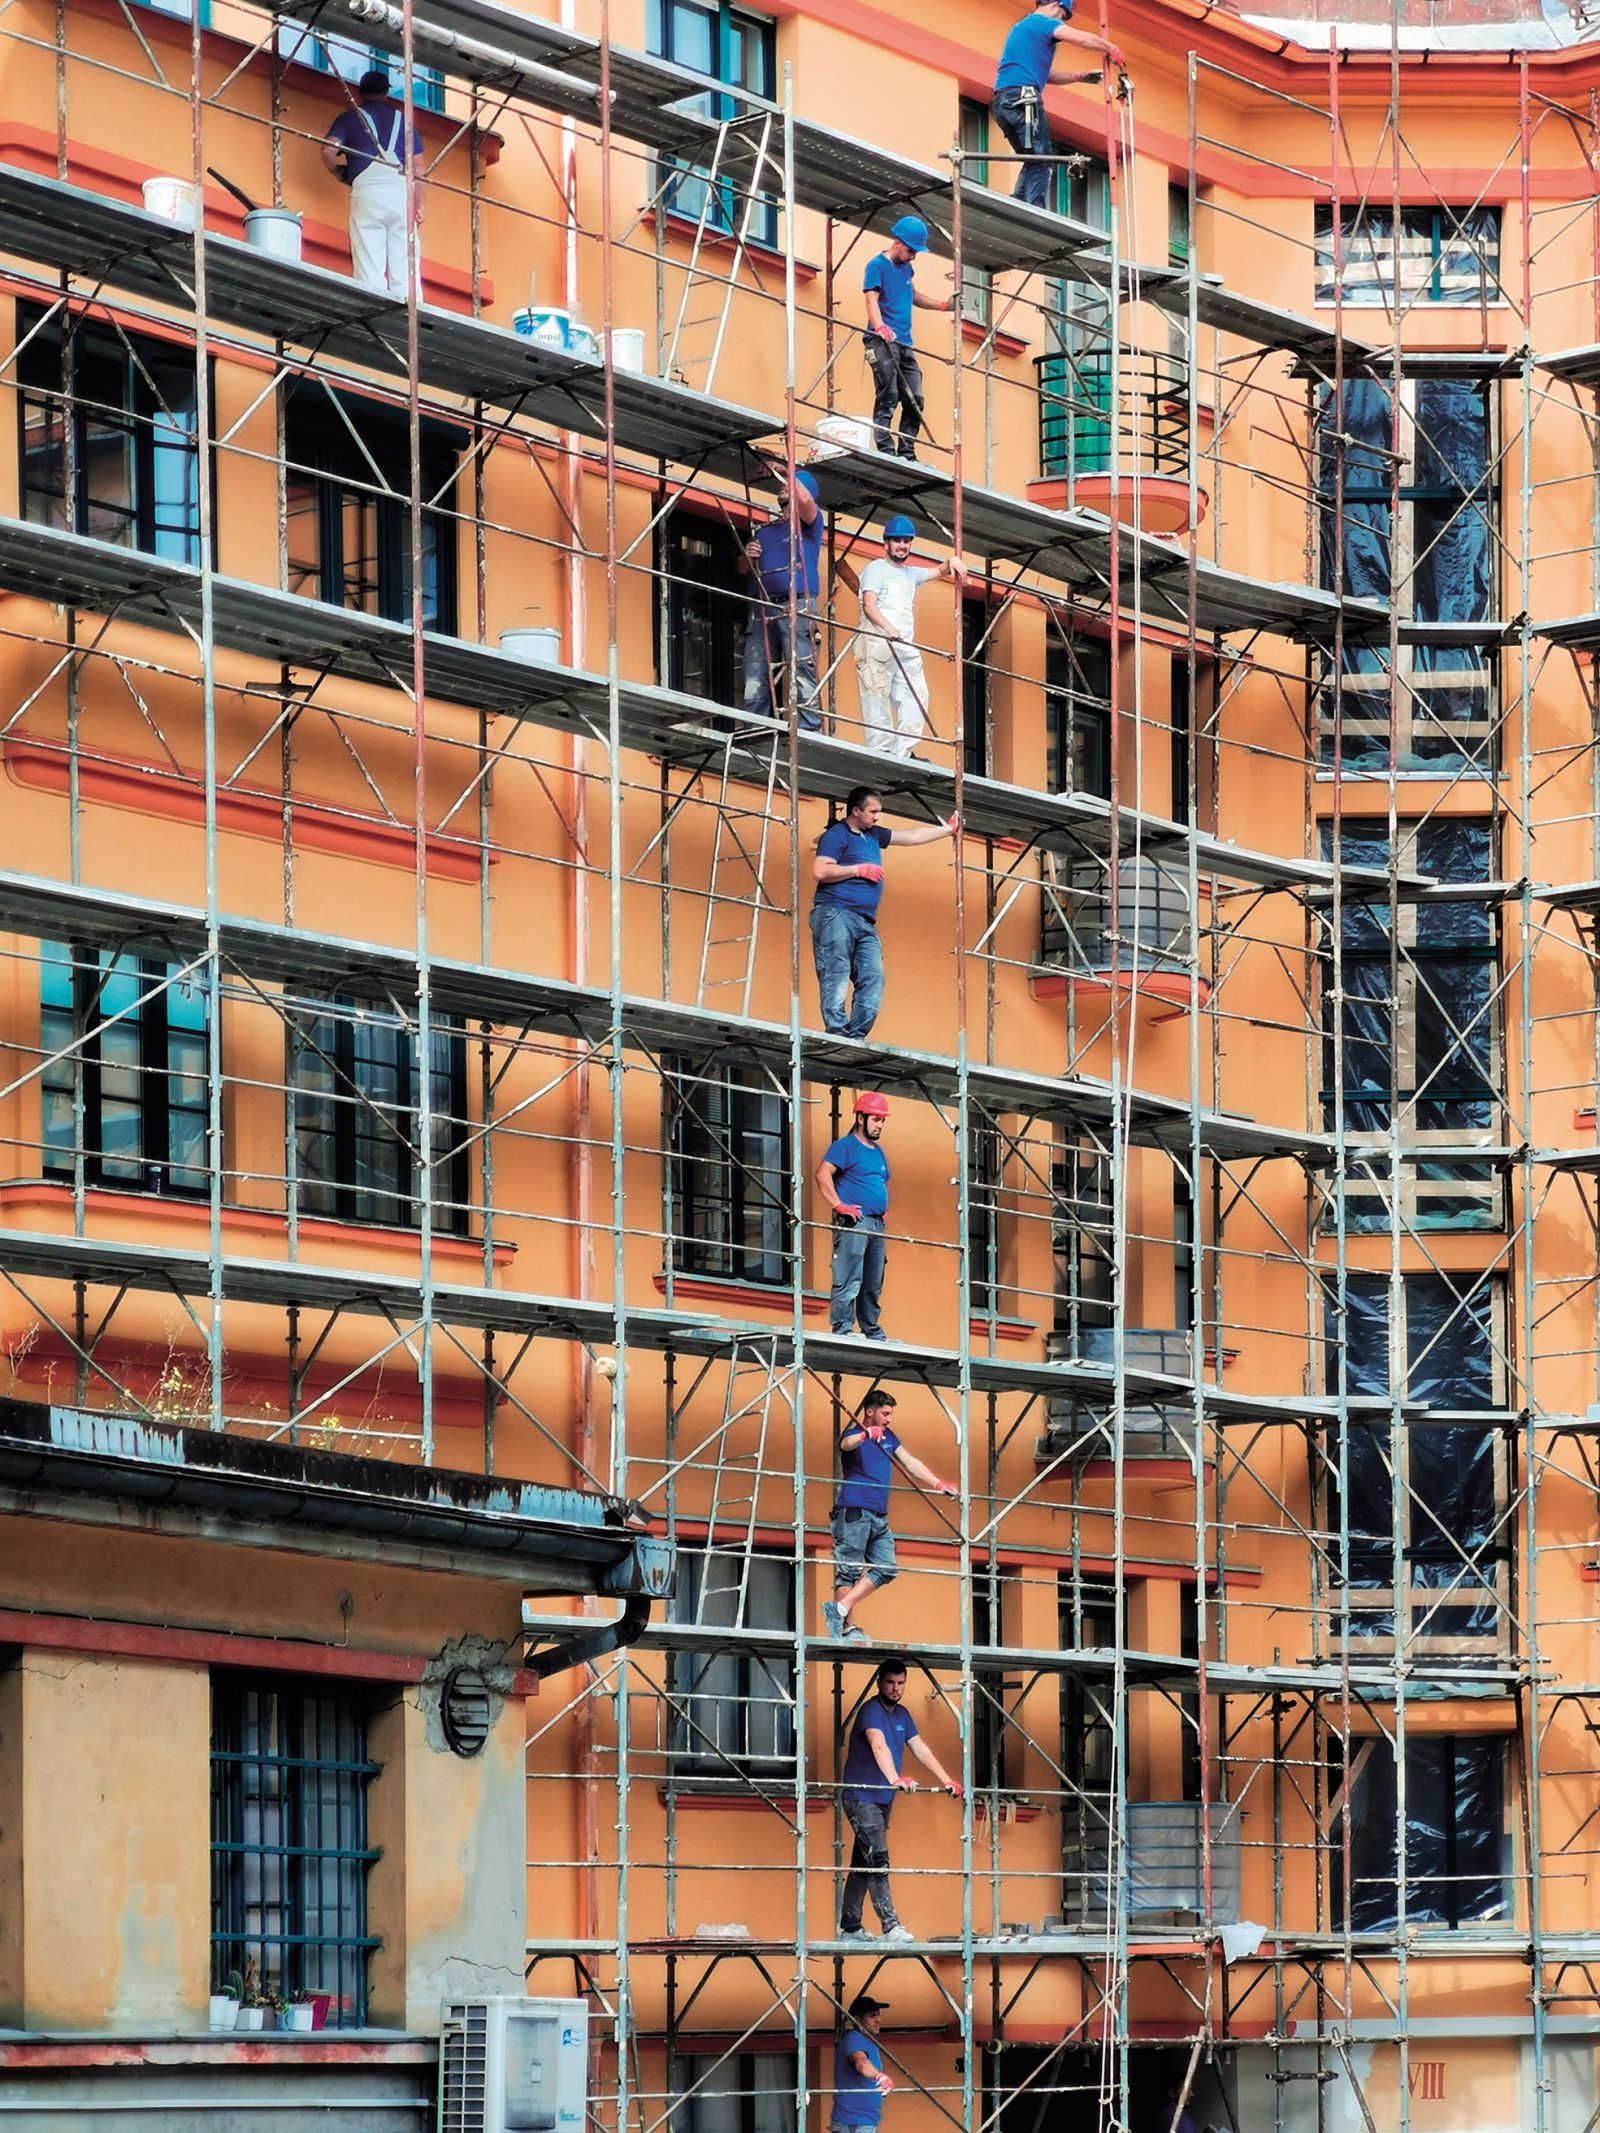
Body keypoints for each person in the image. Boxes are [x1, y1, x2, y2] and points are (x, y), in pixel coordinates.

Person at [811, 786, 959, 1041]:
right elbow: (821, 871)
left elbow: (911, 836)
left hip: (865, 921)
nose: (877, 817)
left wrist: (947, 830)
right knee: (836, 971)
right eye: (873, 811)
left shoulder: (874, 835)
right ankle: (836, 1031)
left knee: (873, 976)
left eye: (879, 811)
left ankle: (855, 1035)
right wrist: (859, 870)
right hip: (836, 912)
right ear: (856, 811)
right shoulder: (838, 835)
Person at [837, 1658, 961, 1942]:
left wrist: (947, 1780)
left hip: (882, 1799)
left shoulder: (903, 1714)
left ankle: (851, 1927)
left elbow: (920, 1748)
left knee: (863, 1861)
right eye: (890, 1683)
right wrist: (895, 1779)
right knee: (878, 1859)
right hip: (862, 1797)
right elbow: (878, 1745)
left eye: (901, 1683)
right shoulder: (871, 1711)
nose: (895, 1688)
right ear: (880, 1682)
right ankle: (891, 1926)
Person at [823, 1389, 957, 1642]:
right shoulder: (855, 1434)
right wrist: (865, 1434)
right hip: (855, 1509)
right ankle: (845, 1627)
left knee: (887, 1568)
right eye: (885, 1413)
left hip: (879, 1515)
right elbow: (845, 1444)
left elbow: (910, 1462)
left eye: (891, 1414)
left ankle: (840, 1609)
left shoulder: (889, 1437)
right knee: (849, 1570)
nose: (889, 1419)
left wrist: (938, 1484)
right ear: (870, 1411)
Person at [990, 0, 1125, 210]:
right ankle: (1034, 209)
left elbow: (1044, 75)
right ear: (1055, 6)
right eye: (1062, 16)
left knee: (1034, 157)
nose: (1061, 22)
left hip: (1004, 102)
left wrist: (1077, 77)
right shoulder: (1042, 22)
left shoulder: (1023, 28)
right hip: (1022, 100)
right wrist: (1110, 48)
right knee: (1042, 157)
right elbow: (1081, 38)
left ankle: (1020, 202)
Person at [854, 517, 964, 760]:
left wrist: (952, 562)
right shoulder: (876, 569)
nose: (902, 545)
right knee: (877, 695)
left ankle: (902, 750)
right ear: (886, 544)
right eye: (897, 541)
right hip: (877, 641)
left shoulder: (909, 574)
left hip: (902, 644)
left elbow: (937, 571)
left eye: (906, 541)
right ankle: (880, 749)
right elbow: (869, 605)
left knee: (917, 694)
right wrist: (888, 628)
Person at [322, 69, 426, 298]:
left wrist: (338, 172)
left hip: (366, 189)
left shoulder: (349, 118)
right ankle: (410, 309)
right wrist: (420, 205)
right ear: (387, 92)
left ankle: (371, 302)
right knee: (405, 258)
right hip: (400, 191)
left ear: (360, 93)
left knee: (368, 255)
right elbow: (419, 168)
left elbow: (328, 148)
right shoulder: (405, 123)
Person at [737, 469, 823, 729]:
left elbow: (807, 503)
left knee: (800, 665)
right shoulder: (764, 530)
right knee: (755, 669)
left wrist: (788, 470)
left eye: (789, 485)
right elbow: (742, 569)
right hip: (762, 604)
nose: (783, 487)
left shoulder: (808, 525)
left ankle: (808, 728)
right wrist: (747, 556)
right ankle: (755, 726)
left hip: (797, 602)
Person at [862, 216, 952, 462]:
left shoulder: (906, 269)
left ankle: (907, 451)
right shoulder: (876, 265)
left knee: (915, 398)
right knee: (888, 394)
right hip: (881, 341)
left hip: (904, 343)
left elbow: (913, 295)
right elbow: (871, 298)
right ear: (898, 243)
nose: (913, 256)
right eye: (912, 251)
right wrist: (880, 326)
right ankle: (886, 449)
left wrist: (944, 306)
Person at [831, 1995, 894, 2133]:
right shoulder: (855, 2039)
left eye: (878, 2015)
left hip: (862, 2121)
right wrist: (880, 2077)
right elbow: (862, 2063)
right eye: (872, 2016)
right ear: (858, 2019)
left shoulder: (866, 2041)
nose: (878, 2020)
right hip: (854, 2122)